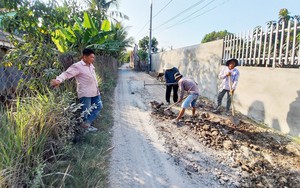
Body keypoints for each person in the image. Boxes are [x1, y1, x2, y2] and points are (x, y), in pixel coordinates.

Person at [50, 48, 102, 132]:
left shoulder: (91, 65)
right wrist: (58, 80)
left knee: (99, 106)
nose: (93, 59)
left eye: (93, 57)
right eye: (91, 57)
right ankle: (84, 131)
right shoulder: (77, 66)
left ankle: (86, 124)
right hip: (85, 94)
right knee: (85, 113)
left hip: (95, 92)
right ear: (85, 57)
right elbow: (66, 74)